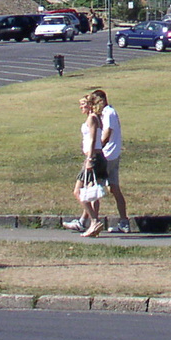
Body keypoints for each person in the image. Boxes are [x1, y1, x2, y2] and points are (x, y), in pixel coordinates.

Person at [64, 92, 108, 236]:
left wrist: (89, 159)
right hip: (96, 156)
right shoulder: (95, 118)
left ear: (89, 105)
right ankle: (92, 225)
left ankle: (94, 222)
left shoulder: (92, 118)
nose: (80, 107)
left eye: (83, 104)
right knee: (92, 194)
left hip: (93, 158)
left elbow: (93, 139)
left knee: (79, 192)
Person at [89, 88, 131, 233]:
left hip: (107, 156)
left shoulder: (109, 113)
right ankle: (124, 221)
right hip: (113, 155)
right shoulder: (109, 113)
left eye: (94, 103)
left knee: (95, 189)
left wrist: (95, 149)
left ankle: (91, 221)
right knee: (113, 188)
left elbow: (106, 134)